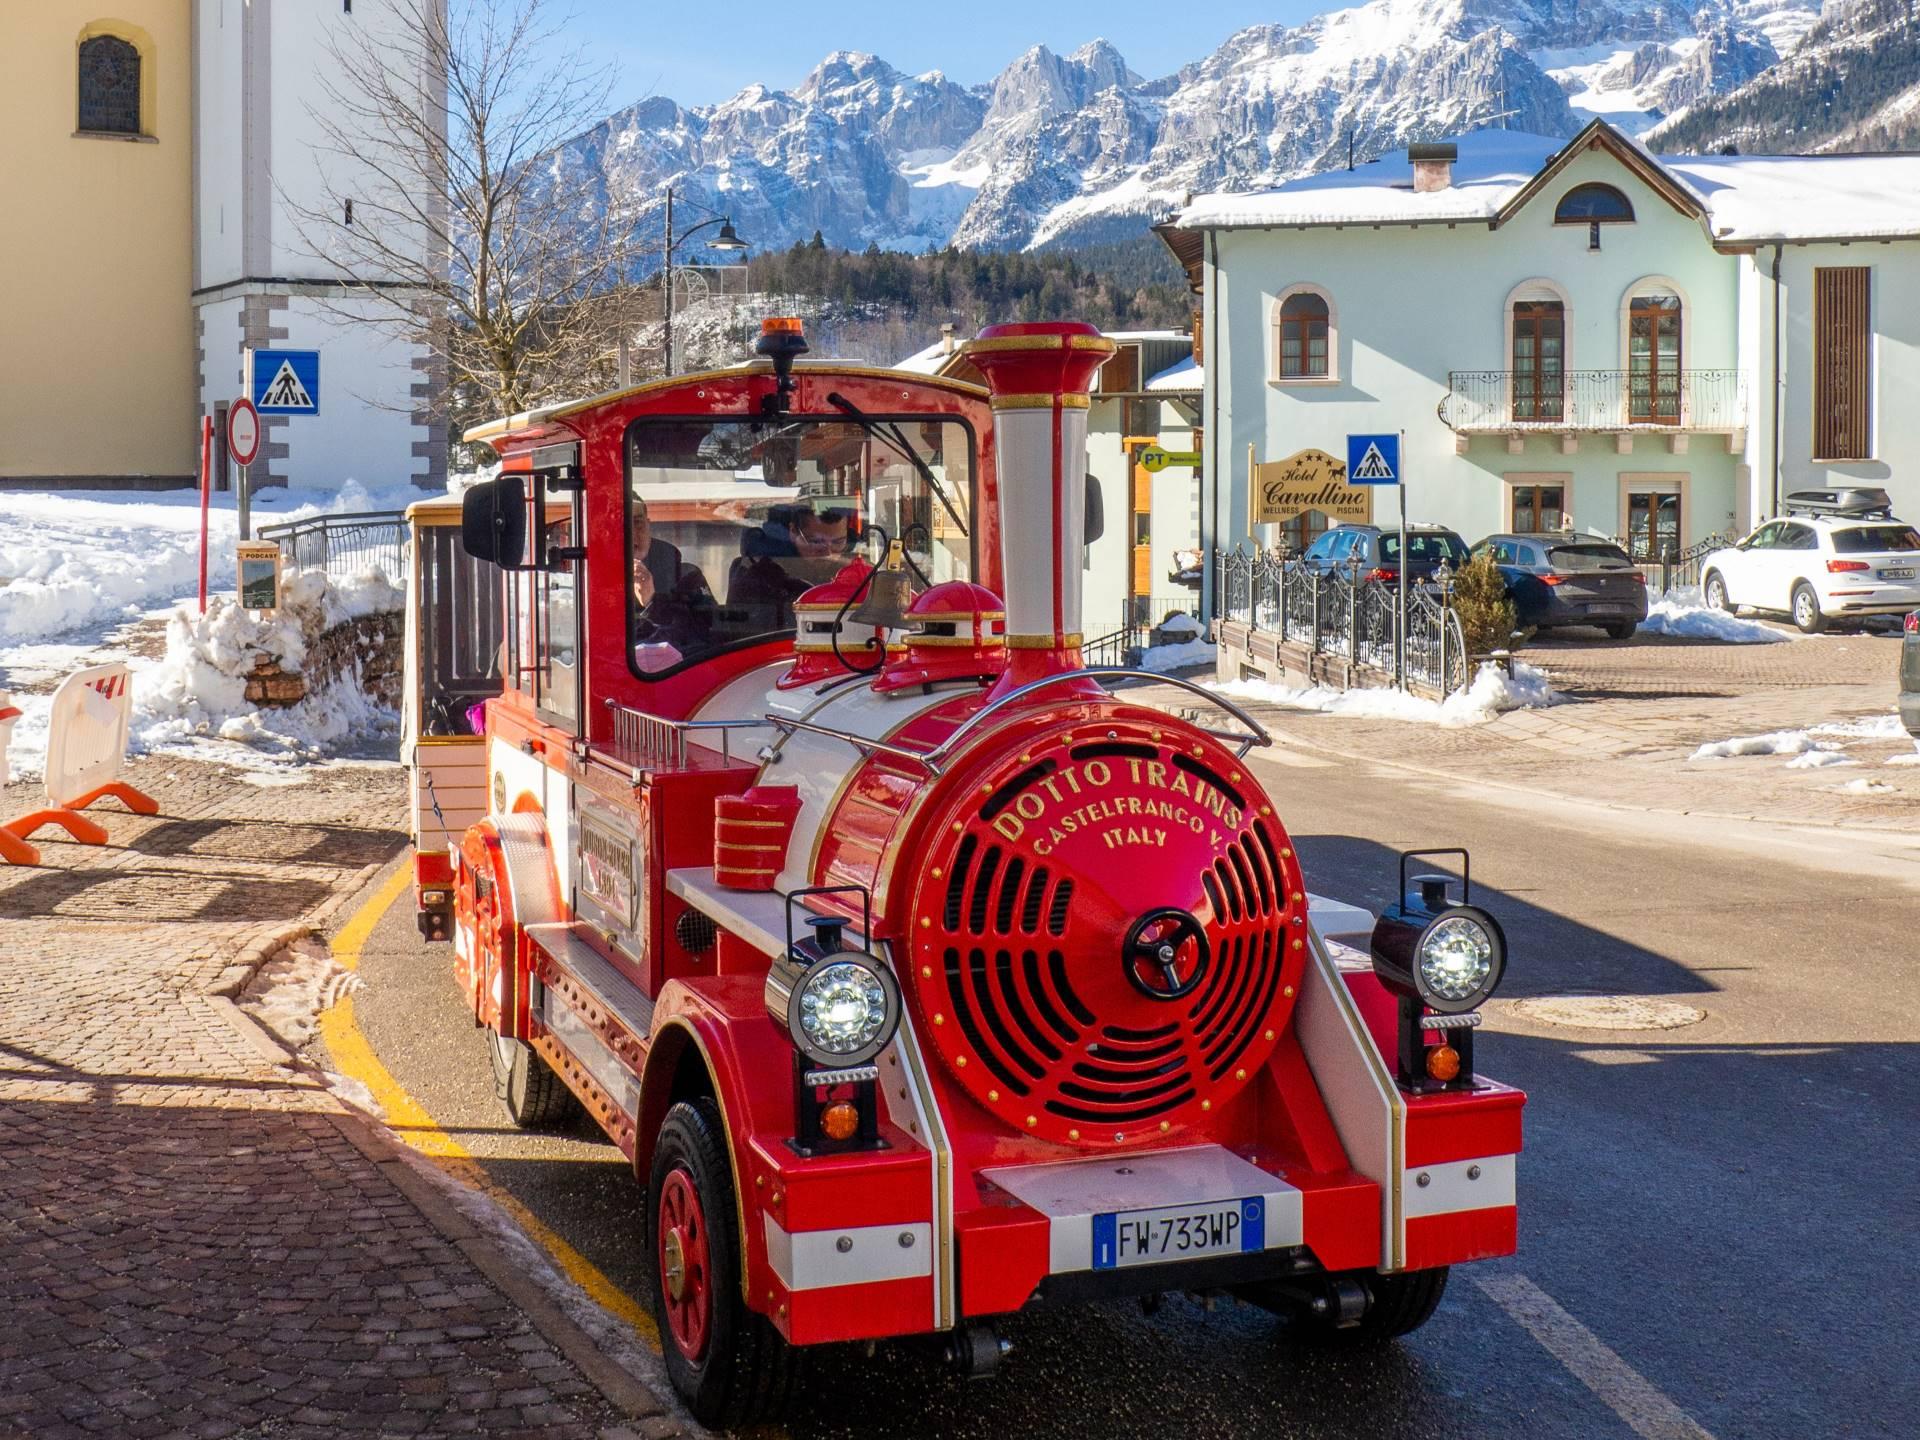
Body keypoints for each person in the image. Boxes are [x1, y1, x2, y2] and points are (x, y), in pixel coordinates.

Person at [630, 500, 713, 670]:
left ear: (648, 525)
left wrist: (653, 603)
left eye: (637, 523)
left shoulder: (686, 577)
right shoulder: (586, 582)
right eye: (620, 525)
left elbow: (707, 638)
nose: (631, 533)